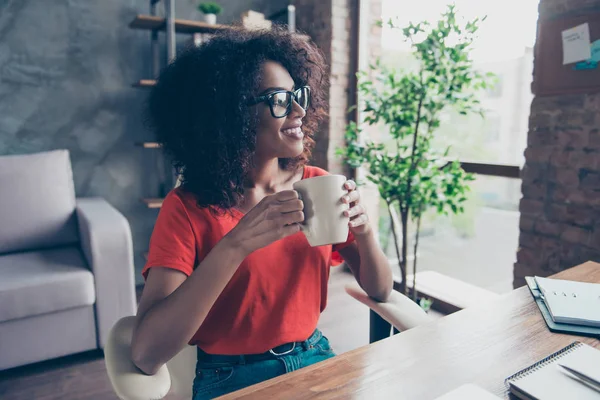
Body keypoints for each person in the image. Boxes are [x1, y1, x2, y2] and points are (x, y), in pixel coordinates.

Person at [131, 26, 393, 400]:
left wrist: (365, 232)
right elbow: (145, 354)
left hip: (315, 356)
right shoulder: (188, 207)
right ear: (228, 114)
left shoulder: (317, 185)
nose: (299, 110)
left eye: (297, 95)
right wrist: (235, 245)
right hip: (229, 377)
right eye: (279, 99)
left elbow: (381, 289)